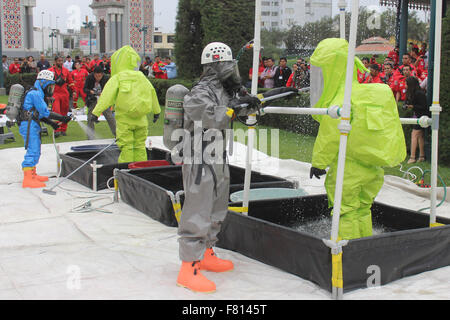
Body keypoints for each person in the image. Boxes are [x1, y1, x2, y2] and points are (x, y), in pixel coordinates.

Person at [176, 41, 261, 293]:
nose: (232, 70)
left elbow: (233, 108)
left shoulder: (225, 90)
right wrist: (232, 109)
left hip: (217, 156)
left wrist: (245, 101)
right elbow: (203, 112)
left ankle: (207, 252)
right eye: (227, 65)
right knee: (198, 208)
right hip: (199, 157)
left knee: (217, 205)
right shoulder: (201, 91)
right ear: (215, 66)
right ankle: (188, 267)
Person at [309, 38, 406, 240]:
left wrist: (318, 163)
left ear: (330, 68)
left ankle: (345, 254)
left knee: (345, 211)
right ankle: (364, 249)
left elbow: (330, 136)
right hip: (373, 168)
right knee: (362, 209)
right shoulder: (367, 94)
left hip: (349, 168)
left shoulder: (342, 100)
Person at [91, 45, 161, 163]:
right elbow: (152, 93)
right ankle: (140, 172)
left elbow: (106, 97)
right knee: (140, 146)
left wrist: (95, 113)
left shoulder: (117, 78)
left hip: (125, 120)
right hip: (141, 119)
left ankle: (126, 173)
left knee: (127, 147)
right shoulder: (141, 77)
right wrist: (157, 111)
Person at [19, 70, 71, 188]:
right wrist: (62, 118)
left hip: (32, 123)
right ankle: (27, 179)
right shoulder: (36, 94)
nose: (51, 89)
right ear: (43, 83)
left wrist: (52, 124)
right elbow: (45, 112)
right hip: (28, 125)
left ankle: (33, 174)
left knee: (36, 148)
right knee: (33, 150)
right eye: (50, 86)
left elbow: (39, 114)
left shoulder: (38, 93)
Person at [83, 66, 116, 140]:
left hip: (103, 100)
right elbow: (85, 89)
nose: (98, 78)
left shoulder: (106, 78)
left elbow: (111, 89)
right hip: (92, 100)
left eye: (99, 76)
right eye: (96, 76)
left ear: (102, 74)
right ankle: (90, 138)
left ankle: (117, 135)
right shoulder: (89, 77)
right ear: (93, 74)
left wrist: (104, 94)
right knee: (90, 118)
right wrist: (90, 91)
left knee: (110, 117)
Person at [404, 76, 430, 164]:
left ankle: (412, 157)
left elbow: (424, 107)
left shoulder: (419, 93)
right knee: (420, 136)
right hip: (417, 115)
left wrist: (413, 106)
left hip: (422, 116)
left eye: (406, 83)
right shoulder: (411, 92)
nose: (405, 85)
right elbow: (406, 102)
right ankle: (421, 156)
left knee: (414, 135)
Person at [48, 56, 74, 137]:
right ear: (55, 61)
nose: (60, 62)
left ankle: (63, 129)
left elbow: (70, 81)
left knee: (64, 112)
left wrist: (74, 91)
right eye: (59, 61)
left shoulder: (66, 71)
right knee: (56, 112)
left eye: (61, 61)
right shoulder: (50, 71)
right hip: (55, 93)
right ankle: (56, 130)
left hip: (64, 94)